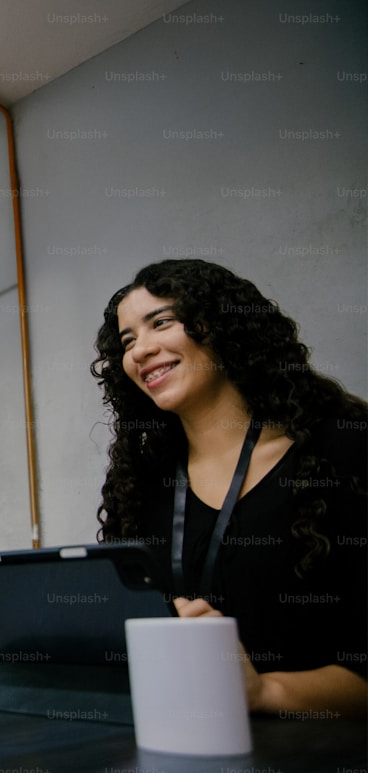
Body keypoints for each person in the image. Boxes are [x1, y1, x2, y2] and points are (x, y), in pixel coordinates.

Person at [91, 259, 367, 717]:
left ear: (220, 326)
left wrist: (263, 692)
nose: (140, 350)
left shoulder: (341, 452)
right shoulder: (143, 485)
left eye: (161, 322)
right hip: (178, 736)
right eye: (128, 341)